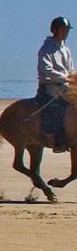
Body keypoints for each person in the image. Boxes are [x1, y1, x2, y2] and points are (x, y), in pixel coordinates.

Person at [37, 16, 74, 152]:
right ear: (55, 30)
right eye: (63, 30)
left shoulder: (66, 49)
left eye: (67, 30)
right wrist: (65, 78)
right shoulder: (46, 49)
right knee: (57, 110)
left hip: (65, 86)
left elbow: (70, 69)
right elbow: (47, 70)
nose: (66, 32)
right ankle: (58, 141)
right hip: (50, 87)